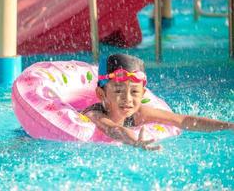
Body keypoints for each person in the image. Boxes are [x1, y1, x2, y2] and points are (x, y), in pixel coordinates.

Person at [83, 54, 233, 150]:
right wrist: (134, 141)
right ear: (101, 94)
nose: (127, 99)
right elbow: (113, 129)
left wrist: (228, 126)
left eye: (134, 92)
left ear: (142, 93)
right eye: (118, 91)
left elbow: (182, 120)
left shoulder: (138, 113)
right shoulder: (94, 114)